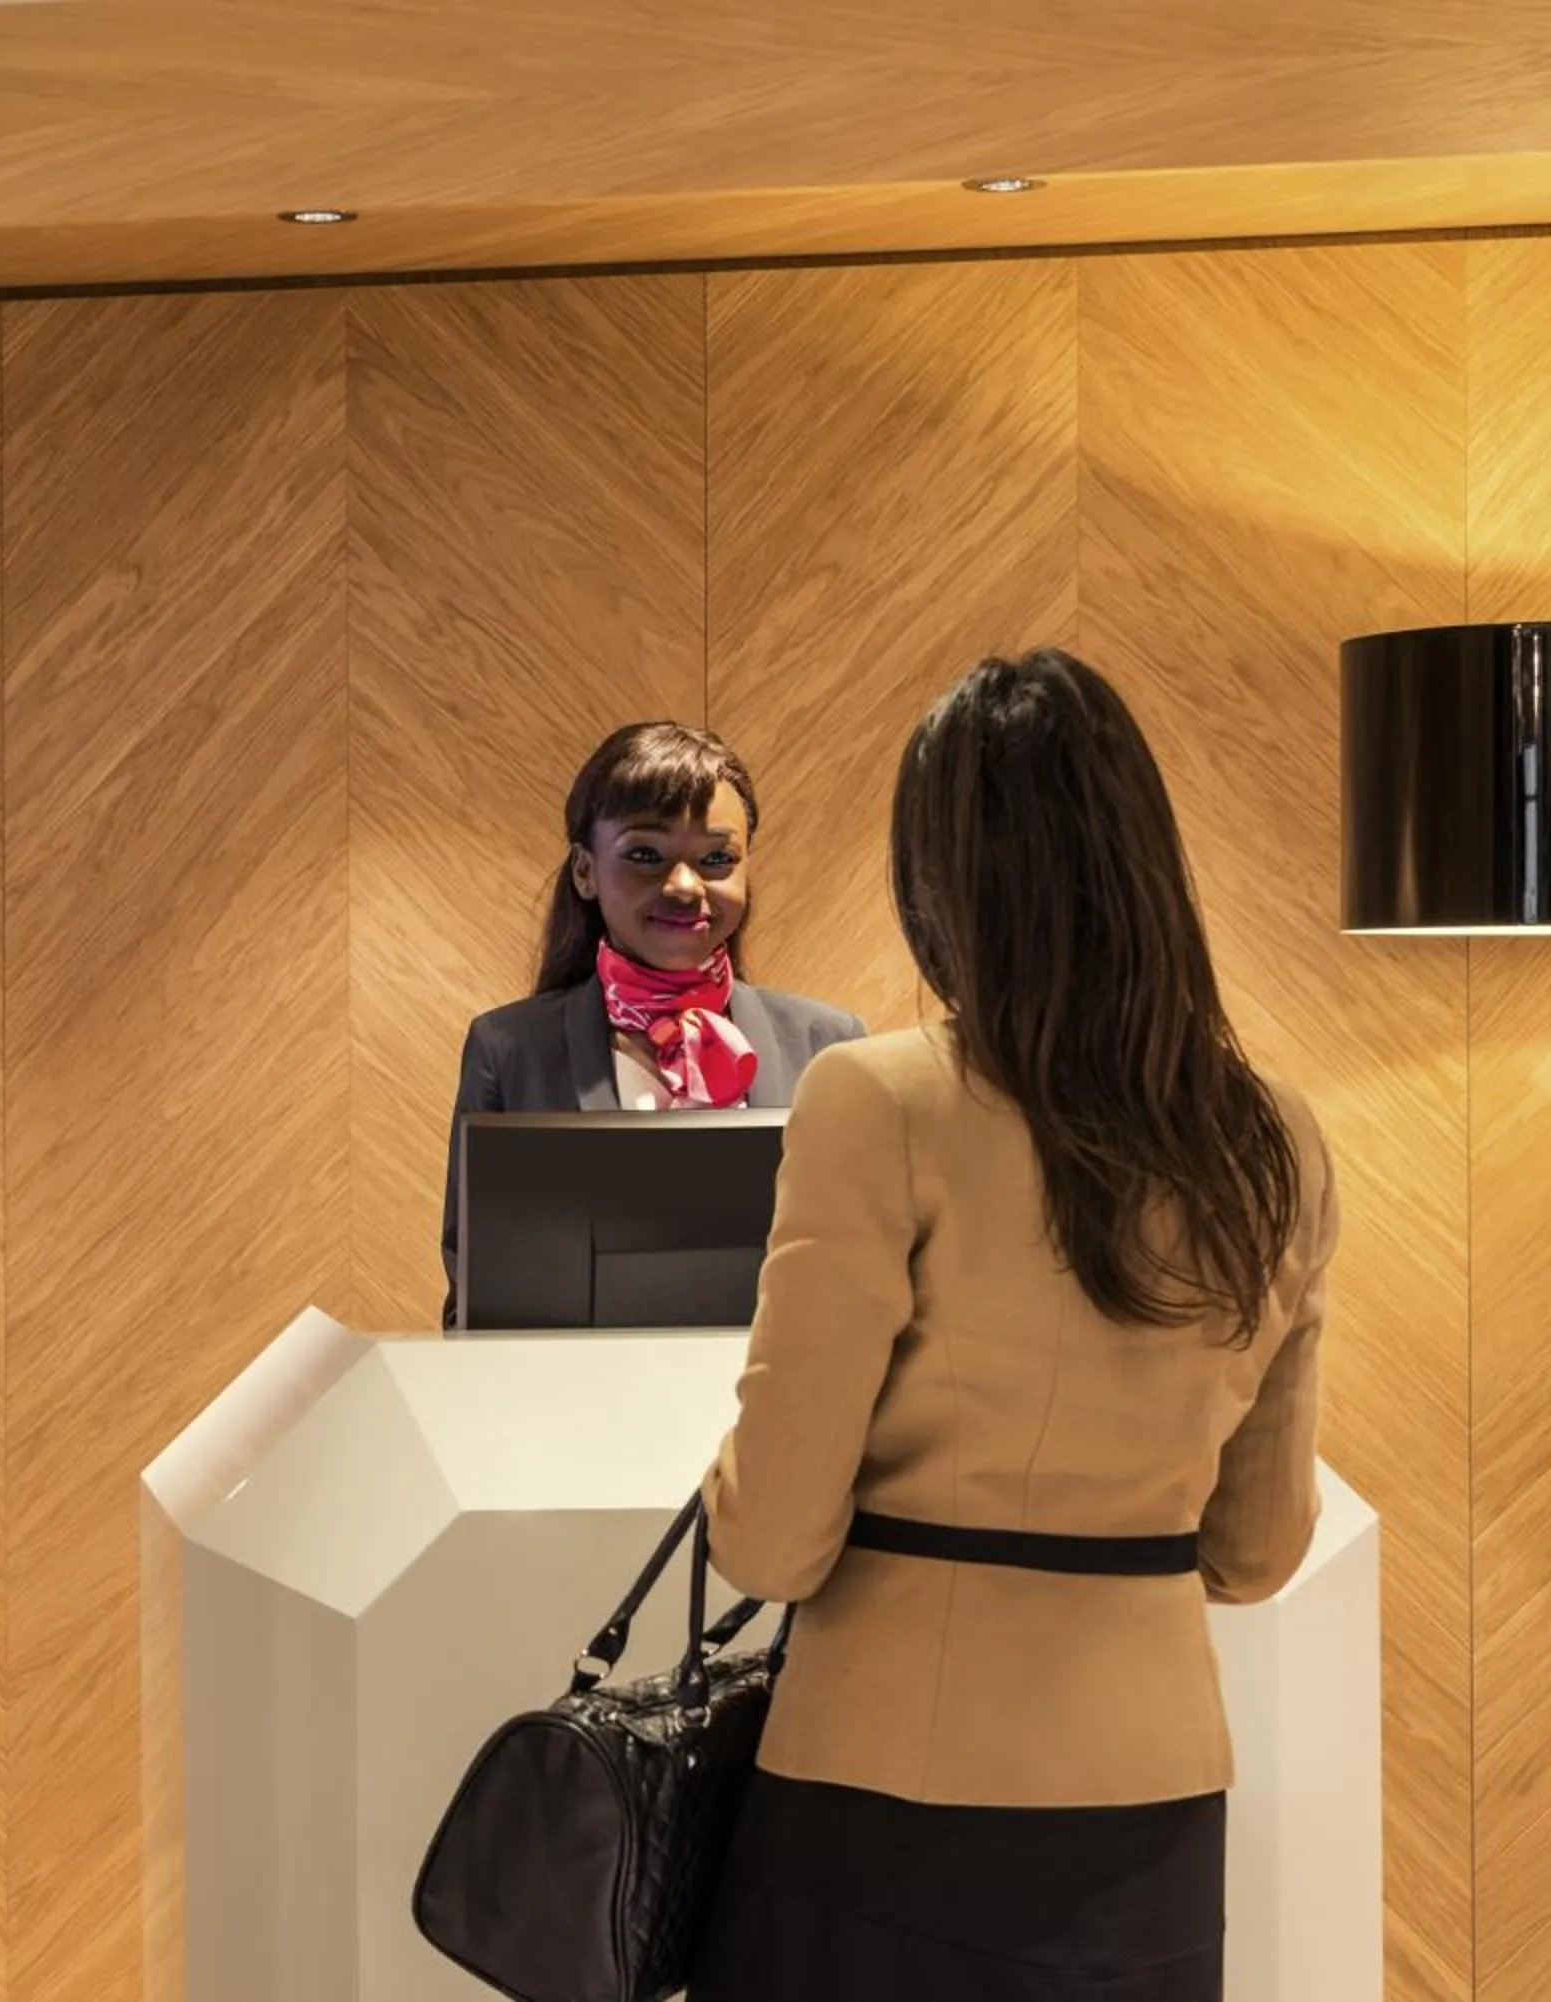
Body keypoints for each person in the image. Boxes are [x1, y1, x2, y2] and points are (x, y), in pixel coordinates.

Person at [692, 650, 1339, 2001]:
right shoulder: (1277, 1138)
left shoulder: (878, 1101)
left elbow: (773, 1536)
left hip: (885, 1796)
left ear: (940, 879)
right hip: (1154, 1807)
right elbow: (1259, 1548)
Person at [440, 721, 865, 1324]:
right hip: (578, 1386)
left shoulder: (831, 1046)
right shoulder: (508, 1050)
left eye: (717, 859)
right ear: (584, 871)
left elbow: (867, 1277)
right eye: (645, 856)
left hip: (779, 1383)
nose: (685, 887)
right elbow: (476, 1297)